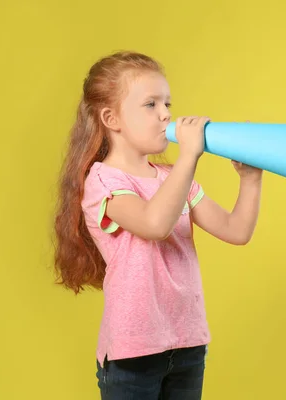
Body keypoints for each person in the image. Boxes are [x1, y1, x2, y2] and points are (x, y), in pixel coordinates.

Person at [52, 50, 263, 399]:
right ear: (111, 118)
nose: (166, 114)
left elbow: (236, 230)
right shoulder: (103, 182)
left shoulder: (173, 179)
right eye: (151, 104)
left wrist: (250, 180)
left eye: (167, 103)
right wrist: (189, 156)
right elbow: (154, 224)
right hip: (134, 354)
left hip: (188, 345)